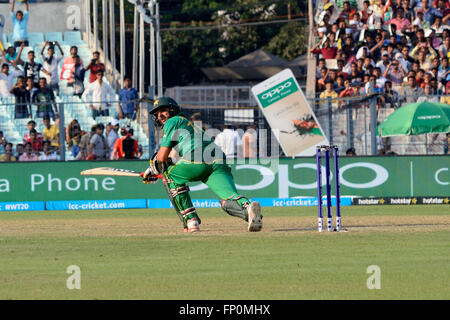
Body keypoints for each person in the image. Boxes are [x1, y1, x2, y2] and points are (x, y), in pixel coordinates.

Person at [142, 97, 263, 233]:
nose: (160, 116)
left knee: (168, 174)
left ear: (172, 109)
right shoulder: (188, 124)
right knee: (228, 199)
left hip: (197, 158)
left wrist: (154, 168)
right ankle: (248, 208)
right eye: (157, 114)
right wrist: (154, 169)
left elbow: (162, 158)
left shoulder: (172, 121)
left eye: (163, 111)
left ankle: (190, 220)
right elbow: (172, 158)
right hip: (218, 160)